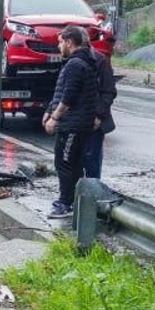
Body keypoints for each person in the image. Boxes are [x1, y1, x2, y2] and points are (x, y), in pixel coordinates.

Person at [42, 25, 101, 220]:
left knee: (65, 163)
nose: (58, 47)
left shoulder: (75, 64)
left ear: (69, 42)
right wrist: (49, 110)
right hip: (77, 123)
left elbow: (69, 95)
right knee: (73, 164)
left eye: (60, 42)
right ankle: (75, 202)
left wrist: (55, 117)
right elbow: (62, 91)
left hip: (73, 125)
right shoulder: (83, 62)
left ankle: (65, 203)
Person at [83, 37, 117, 179]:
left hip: (94, 121)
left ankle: (93, 187)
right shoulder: (69, 60)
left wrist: (98, 115)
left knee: (92, 159)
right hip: (76, 119)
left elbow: (109, 91)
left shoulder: (100, 60)